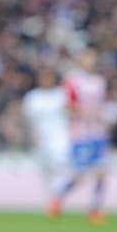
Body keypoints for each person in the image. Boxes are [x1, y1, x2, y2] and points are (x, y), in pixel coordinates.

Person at [52, 49, 111, 223]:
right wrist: (85, 113)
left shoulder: (100, 81)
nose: (89, 61)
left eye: (92, 58)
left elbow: (101, 105)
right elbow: (67, 106)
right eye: (86, 58)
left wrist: (102, 120)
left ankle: (95, 209)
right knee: (79, 175)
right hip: (81, 133)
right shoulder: (72, 80)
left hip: (98, 133)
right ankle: (58, 197)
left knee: (102, 172)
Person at [21, 66, 70, 214]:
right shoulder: (32, 97)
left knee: (61, 166)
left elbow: (70, 114)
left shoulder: (61, 95)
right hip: (41, 138)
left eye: (48, 76)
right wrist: (32, 136)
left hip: (60, 136)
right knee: (46, 171)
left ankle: (57, 199)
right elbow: (28, 120)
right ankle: (49, 202)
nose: (46, 80)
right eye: (43, 77)